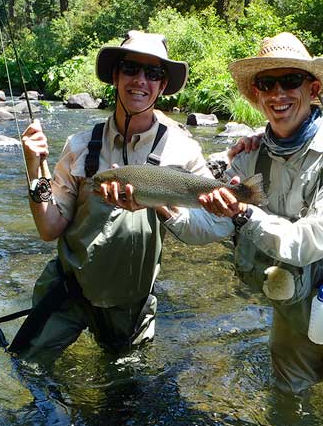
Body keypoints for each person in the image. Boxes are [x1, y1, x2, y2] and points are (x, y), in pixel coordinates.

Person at [165, 32, 323, 409]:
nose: (277, 94)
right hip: (290, 308)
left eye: (290, 81)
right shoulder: (249, 156)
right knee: (287, 409)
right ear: (256, 93)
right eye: (266, 84)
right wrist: (158, 204)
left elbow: (308, 243)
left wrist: (242, 211)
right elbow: (209, 229)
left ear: (313, 87)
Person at [18, 30, 212, 360]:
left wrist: (162, 203)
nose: (140, 81)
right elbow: (49, 229)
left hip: (130, 306)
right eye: (131, 69)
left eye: (153, 74)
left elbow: (209, 228)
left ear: (163, 86)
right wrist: (35, 167)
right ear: (115, 75)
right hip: (69, 292)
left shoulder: (183, 150)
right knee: (26, 370)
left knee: (123, 397)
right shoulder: (79, 146)